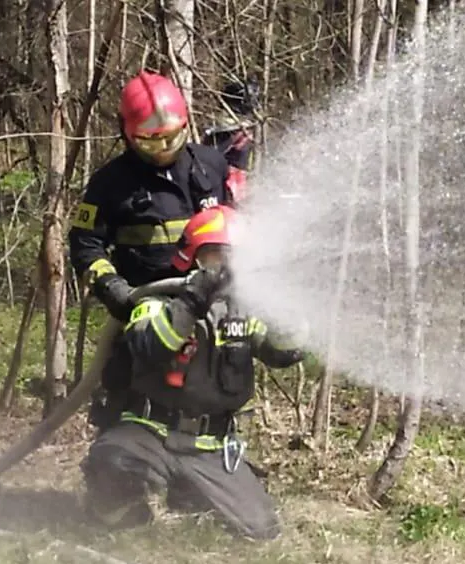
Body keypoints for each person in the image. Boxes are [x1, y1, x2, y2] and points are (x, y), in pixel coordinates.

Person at [79, 205, 303, 540]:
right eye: (215, 255)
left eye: (234, 258)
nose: (225, 268)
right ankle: (119, 509)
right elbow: (152, 346)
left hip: (209, 445)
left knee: (260, 530)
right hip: (150, 433)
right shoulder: (155, 301)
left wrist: (291, 314)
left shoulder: (243, 314)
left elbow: (281, 353)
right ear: (191, 258)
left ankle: (187, 490)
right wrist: (191, 302)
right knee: (113, 465)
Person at [68, 69, 237, 324]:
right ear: (128, 135)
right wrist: (111, 286)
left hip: (213, 303)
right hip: (144, 306)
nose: (164, 149)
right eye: (151, 142)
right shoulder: (108, 183)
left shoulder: (212, 166)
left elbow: (241, 225)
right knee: (137, 347)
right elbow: (85, 243)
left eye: (172, 137)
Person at [200, 77, 260, 202]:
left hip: (238, 188)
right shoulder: (225, 131)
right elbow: (206, 160)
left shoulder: (243, 128)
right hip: (225, 189)